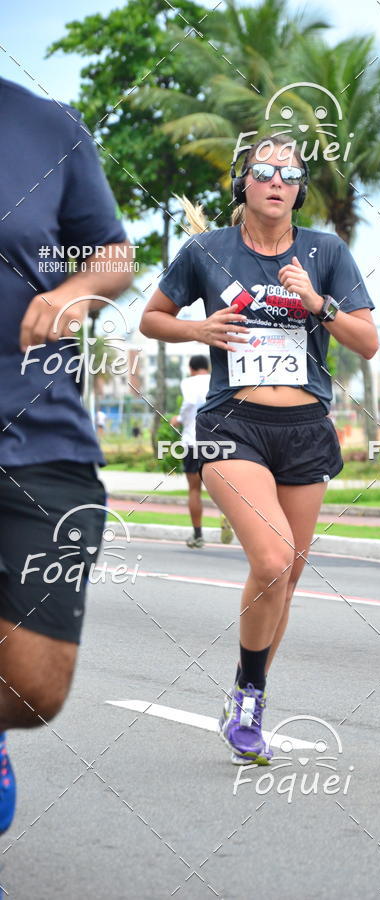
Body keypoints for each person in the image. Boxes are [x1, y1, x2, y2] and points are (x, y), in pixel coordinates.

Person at [141, 134, 378, 764]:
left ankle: (249, 693)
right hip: (232, 424)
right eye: (265, 171)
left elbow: (369, 341)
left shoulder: (326, 252)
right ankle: (248, 693)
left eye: (291, 173)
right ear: (244, 182)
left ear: (300, 189)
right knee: (272, 559)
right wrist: (198, 327)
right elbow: (152, 319)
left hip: (305, 429)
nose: (277, 181)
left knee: (288, 576)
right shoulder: (207, 252)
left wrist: (318, 305)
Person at [0, 76, 133, 831]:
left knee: (35, 687)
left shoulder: (48, 127)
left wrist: (78, 291)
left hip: (40, 427)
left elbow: (110, 250)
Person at [170, 355, 211, 548]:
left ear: (191, 368)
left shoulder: (189, 382)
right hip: (219, 440)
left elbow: (188, 404)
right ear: (207, 367)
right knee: (228, 488)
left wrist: (179, 419)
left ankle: (198, 535)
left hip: (193, 440)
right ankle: (229, 521)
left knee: (194, 490)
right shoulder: (216, 379)